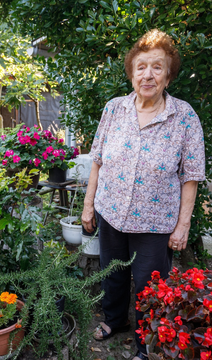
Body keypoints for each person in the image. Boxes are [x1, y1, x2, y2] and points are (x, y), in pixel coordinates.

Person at [82, 29, 205, 360]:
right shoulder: (114, 109)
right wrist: (88, 206)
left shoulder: (185, 117)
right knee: (112, 273)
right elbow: (97, 161)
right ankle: (113, 321)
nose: (147, 74)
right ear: (131, 72)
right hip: (110, 211)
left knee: (150, 287)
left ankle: (143, 345)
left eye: (157, 67)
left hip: (155, 222)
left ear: (168, 75)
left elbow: (191, 177)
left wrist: (182, 227)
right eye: (141, 67)